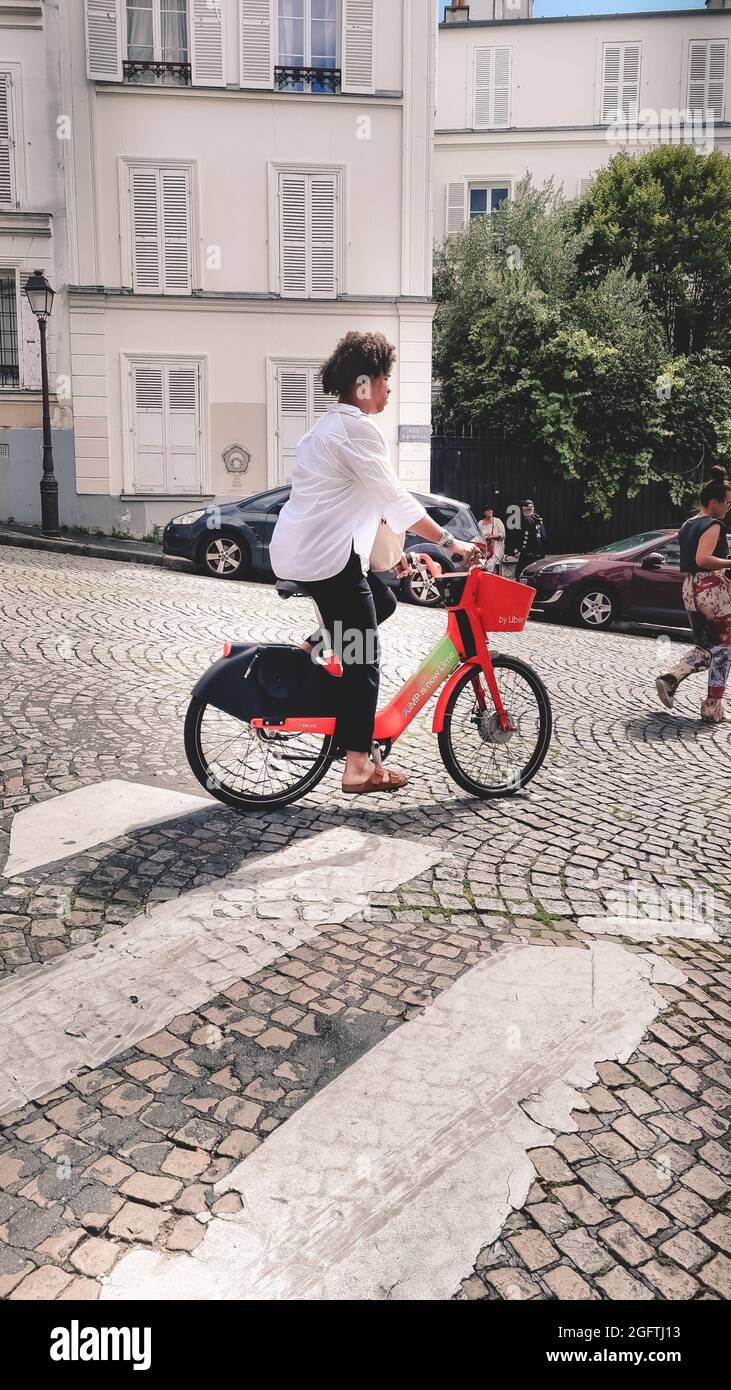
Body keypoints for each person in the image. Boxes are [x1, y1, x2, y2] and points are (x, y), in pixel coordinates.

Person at [268, 331, 477, 795]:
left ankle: (312, 649)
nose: (388, 389)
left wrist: (397, 555)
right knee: (364, 659)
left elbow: (356, 504)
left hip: (312, 553)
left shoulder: (326, 429)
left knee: (381, 600)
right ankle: (359, 765)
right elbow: (396, 499)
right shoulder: (355, 429)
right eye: (385, 379)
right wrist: (449, 541)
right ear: (364, 383)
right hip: (327, 561)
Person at [656, 466, 731, 723]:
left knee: (706, 646)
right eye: (727, 503)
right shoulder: (714, 524)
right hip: (712, 590)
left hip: (690, 588)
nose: (728, 508)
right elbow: (703, 558)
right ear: (714, 502)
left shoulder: (689, 524)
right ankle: (712, 707)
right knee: (723, 649)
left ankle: (672, 677)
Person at [514, 499, 546, 580]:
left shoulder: (528, 520)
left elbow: (525, 537)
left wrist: (520, 550)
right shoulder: (539, 520)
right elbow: (544, 536)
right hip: (539, 553)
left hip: (528, 553)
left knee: (519, 573)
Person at [479, 506, 506, 573]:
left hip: (496, 550)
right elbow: (477, 535)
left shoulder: (497, 521)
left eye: (491, 510)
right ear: (484, 512)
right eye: (488, 510)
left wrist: (492, 537)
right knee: (482, 568)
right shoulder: (480, 523)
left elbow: (503, 534)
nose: (490, 511)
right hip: (484, 550)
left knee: (489, 567)